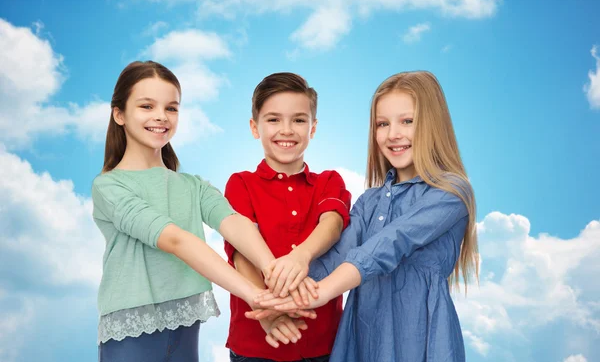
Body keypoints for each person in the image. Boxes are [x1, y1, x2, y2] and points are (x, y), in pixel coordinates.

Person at [252, 71, 479, 362]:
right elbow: (337, 256)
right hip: (363, 335)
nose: (393, 134)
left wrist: (318, 294)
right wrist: (282, 293)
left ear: (433, 125)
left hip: (418, 338)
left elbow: (389, 244)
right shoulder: (369, 201)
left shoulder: (451, 192)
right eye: (382, 124)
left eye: (407, 121)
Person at [92, 61, 283, 361]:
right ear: (119, 114)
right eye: (146, 106)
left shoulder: (192, 186)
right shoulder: (109, 187)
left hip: (184, 327)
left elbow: (233, 223)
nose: (160, 116)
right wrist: (255, 296)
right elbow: (177, 242)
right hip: (130, 336)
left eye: (171, 108)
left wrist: (275, 271)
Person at [224, 72, 351, 362]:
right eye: (273, 119)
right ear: (255, 127)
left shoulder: (329, 181)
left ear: (313, 127)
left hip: (323, 342)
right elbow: (241, 253)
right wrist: (266, 312)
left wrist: (301, 257)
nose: (287, 130)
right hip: (255, 342)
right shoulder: (241, 183)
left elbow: (332, 223)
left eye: (298, 120)